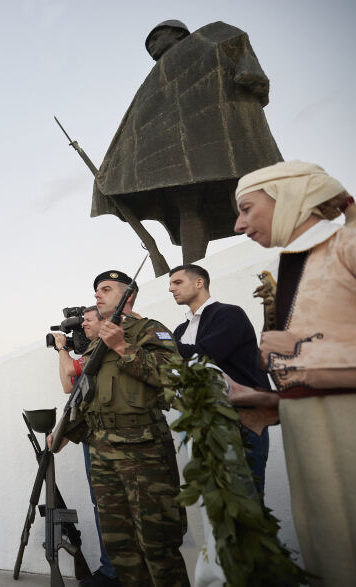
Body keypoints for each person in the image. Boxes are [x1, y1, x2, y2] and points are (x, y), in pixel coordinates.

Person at [230, 161, 356, 585]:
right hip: (309, 443)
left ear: (288, 196)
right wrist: (270, 400)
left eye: (247, 208)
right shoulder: (293, 264)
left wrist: (299, 351)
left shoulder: (348, 243)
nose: (238, 225)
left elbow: (311, 355)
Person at [92, 20, 281, 264]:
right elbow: (136, 122)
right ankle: (191, 268)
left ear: (178, 33)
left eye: (156, 38)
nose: (151, 46)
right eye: (148, 44)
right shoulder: (153, 78)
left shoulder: (203, 38)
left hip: (217, 130)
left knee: (239, 186)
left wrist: (248, 68)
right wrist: (113, 168)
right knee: (187, 206)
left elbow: (236, 41)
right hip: (181, 150)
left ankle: (266, 246)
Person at [81, 270, 188, 586]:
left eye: (106, 289)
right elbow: (87, 395)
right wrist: (64, 432)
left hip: (142, 451)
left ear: (127, 295)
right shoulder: (96, 341)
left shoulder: (149, 330)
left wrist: (122, 347)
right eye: (96, 290)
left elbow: (173, 377)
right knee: (120, 545)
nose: (97, 295)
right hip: (102, 450)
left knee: (157, 543)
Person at [168, 264, 271, 490]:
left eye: (177, 282)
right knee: (214, 499)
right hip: (200, 423)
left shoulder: (229, 314)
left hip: (241, 419)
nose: (171, 289)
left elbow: (206, 355)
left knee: (245, 496)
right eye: (170, 284)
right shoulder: (180, 331)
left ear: (199, 282)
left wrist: (161, 341)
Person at [50, 307, 119, 587]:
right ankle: (110, 570)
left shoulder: (102, 350)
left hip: (108, 439)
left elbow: (70, 369)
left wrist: (62, 349)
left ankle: (114, 572)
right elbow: (69, 386)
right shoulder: (89, 353)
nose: (85, 325)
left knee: (111, 505)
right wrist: (64, 351)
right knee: (101, 504)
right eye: (83, 322)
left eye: (89, 320)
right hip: (91, 437)